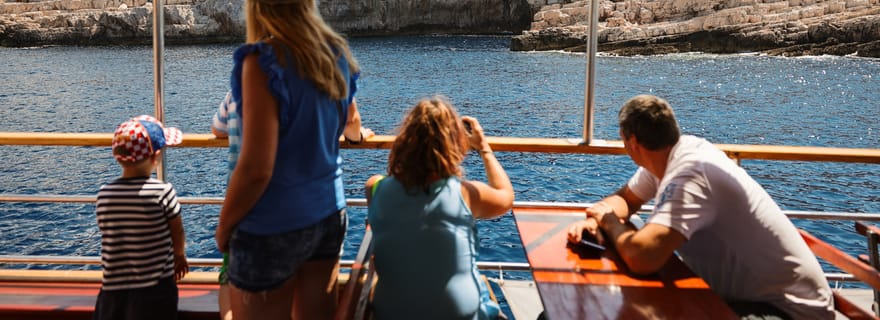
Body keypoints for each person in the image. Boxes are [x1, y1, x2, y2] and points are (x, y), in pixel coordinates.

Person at [567, 94, 834, 319]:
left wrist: (609, 222)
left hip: (785, 311)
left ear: (631, 142)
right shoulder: (668, 157)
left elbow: (642, 258)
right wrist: (594, 221)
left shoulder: (692, 173)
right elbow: (625, 199)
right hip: (748, 300)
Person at [212, 0, 373, 317]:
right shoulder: (335, 55)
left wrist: (224, 226)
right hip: (327, 213)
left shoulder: (262, 62)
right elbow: (351, 122)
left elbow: (257, 169)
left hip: (271, 223)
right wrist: (357, 135)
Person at [365, 97, 514, 320]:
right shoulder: (465, 194)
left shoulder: (375, 188)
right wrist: (484, 148)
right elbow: (506, 197)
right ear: (454, 145)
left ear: (404, 141)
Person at [93, 115, 189, 320]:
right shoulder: (163, 192)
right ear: (156, 157)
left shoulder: (105, 194)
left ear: (118, 156)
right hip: (155, 291)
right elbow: (177, 231)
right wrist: (179, 256)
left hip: (112, 291)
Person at [210, 91, 234, 320]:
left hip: (239, 203)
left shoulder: (236, 91)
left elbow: (217, 129)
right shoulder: (313, 85)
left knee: (229, 276)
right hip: (297, 204)